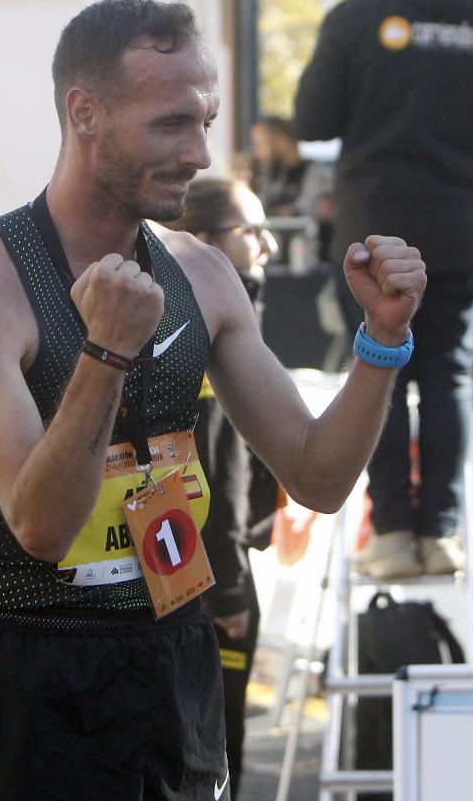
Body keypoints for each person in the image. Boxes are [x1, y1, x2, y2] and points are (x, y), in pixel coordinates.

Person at [0, 0, 426, 801]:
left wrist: (382, 340)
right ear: (84, 113)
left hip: (172, 662)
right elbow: (40, 526)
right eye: (170, 124)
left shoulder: (201, 270)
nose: (199, 152)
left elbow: (319, 477)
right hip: (32, 674)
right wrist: (104, 351)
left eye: (206, 120)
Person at [294, 0, 473, 580]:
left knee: (379, 369)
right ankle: (443, 532)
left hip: (373, 242)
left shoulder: (359, 18)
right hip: (456, 233)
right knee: (449, 373)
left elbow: (312, 121)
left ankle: (392, 534)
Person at [167, 176, 280, 797]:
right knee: (213, 751)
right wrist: (230, 586)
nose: (267, 244)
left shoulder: (222, 307)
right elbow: (216, 467)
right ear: (204, 241)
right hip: (207, 576)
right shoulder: (205, 323)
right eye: (250, 231)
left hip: (198, 567)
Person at [249, 115, 336, 263]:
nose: (257, 153)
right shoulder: (267, 178)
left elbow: (315, 211)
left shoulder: (317, 174)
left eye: (261, 145)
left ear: (283, 141)